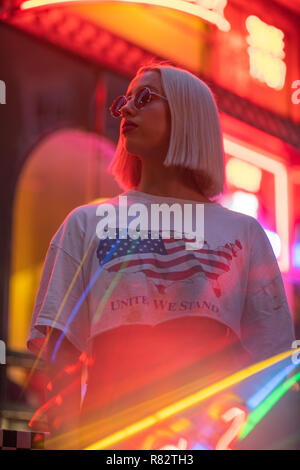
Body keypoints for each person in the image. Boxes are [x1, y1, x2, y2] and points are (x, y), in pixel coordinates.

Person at [27, 60, 297, 450]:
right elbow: (60, 356)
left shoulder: (244, 234)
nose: (127, 109)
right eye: (124, 102)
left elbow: (272, 366)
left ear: (189, 114)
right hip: (110, 442)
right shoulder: (86, 224)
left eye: (145, 97)